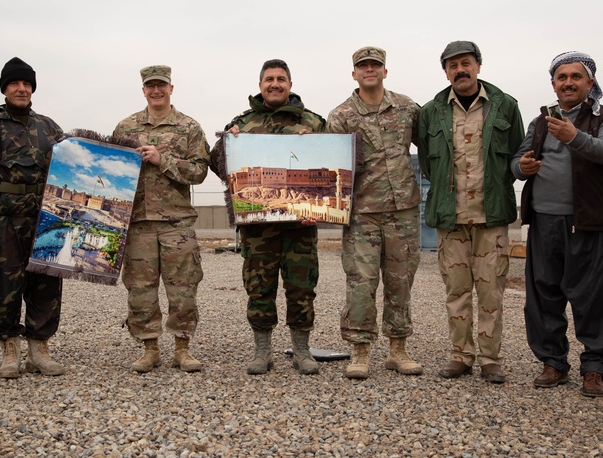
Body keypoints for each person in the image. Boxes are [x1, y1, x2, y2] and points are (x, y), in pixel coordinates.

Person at [511, 52, 603, 397]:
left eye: (576, 76)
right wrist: (522, 167)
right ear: (553, 85)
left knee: (594, 297)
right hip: (544, 221)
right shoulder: (540, 121)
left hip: (588, 222)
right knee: (544, 294)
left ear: (590, 83)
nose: (569, 82)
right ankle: (553, 362)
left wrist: (574, 136)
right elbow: (517, 160)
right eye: (562, 77)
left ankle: (594, 368)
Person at [417, 41, 524, 384]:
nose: (459, 70)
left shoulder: (505, 106)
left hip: (491, 216)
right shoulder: (432, 111)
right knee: (456, 290)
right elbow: (427, 163)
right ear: (445, 71)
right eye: (452, 66)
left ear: (478, 65)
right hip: (452, 217)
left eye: (466, 63)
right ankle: (460, 355)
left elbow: (517, 156)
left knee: (491, 290)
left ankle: (491, 359)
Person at [211, 59, 326, 375]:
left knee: (302, 287)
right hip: (258, 227)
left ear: (290, 84)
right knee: (259, 287)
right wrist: (227, 143)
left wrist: (316, 144)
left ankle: (302, 351)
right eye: (269, 79)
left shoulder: (314, 123)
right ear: (260, 85)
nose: (275, 84)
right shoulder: (243, 124)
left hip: (300, 225)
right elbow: (216, 164)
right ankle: (263, 352)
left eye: (281, 79)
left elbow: (334, 165)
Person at [0, 57, 67, 379]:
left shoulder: (50, 128)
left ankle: (39, 347)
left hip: (45, 220)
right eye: (14, 84)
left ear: (32, 88)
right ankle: (10, 346)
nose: (21, 89)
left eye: (26, 84)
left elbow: (70, 171)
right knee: (5, 284)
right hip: (7, 219)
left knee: (46, 284)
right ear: (5, 88)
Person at [325, 47, 423, 379]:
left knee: (400, 282)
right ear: (354, 74)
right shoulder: (341, 116)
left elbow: (433, 145)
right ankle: (360, 351)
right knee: (361, 283)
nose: (369, 70)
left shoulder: (407, 108)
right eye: (362, 66)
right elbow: (329, 168)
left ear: (385, 70)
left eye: (375, 65)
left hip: (403, 212)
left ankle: (398, 349)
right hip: (362, 213)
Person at [112, 65, 210, 373]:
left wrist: (162, 159)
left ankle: (182, 347)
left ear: (171, 88)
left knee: (183, 287)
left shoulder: (188, 127)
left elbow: (199, 172)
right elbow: (112, 170)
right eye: (150, 86)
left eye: (162, 85)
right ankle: (149, 347)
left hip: (176, 223)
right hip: (138, 222)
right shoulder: (126, 128)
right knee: (140, 288)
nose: (156, 90)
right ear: (143, 90)